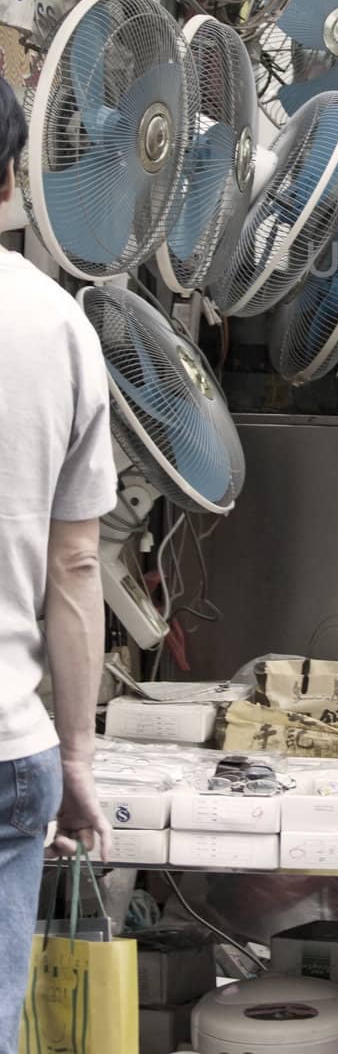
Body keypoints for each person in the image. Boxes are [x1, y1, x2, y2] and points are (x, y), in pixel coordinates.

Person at [0, 77, 118, 1054]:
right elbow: (75, 568)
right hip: (6, 742)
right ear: (11, 182)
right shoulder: (57, 326)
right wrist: (77, 758)